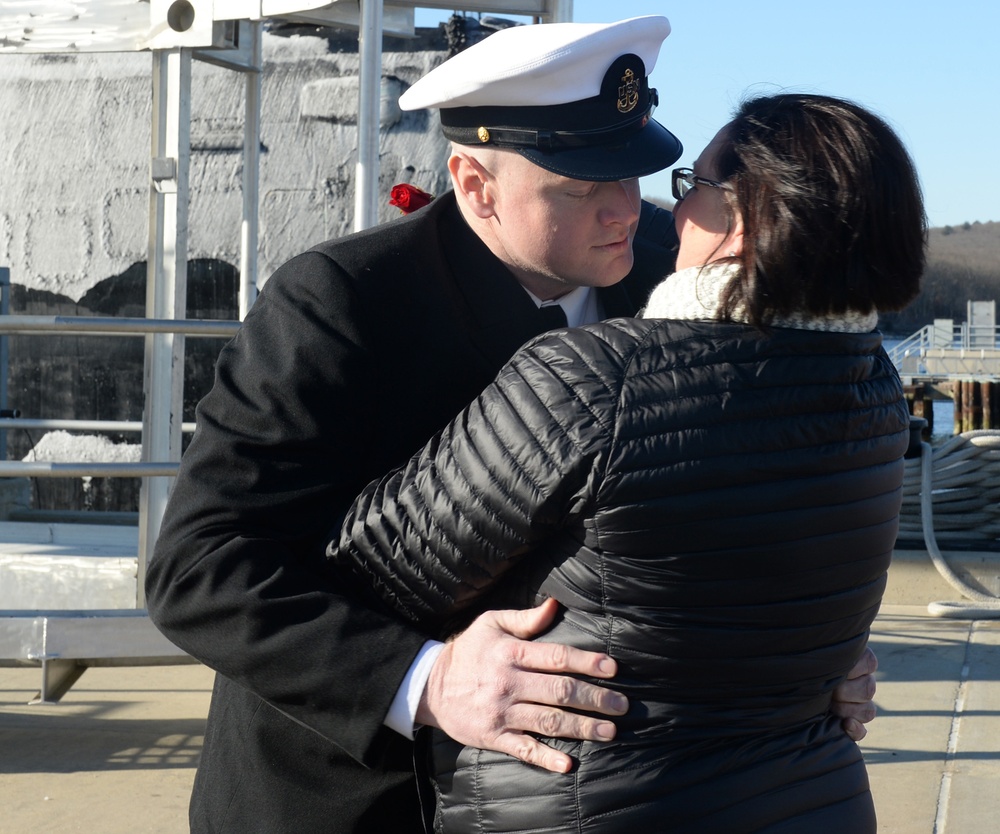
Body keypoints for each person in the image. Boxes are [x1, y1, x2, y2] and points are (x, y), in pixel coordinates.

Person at [145, 15, 878, 833]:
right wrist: (426, 678)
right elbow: (200, 569)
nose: (623, 211)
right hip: (352, 796)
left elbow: (744, 497)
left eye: (635, 172)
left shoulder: (680, 268)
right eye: (578, 188)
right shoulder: (345, 303)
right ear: (476, 185)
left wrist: (812, 639)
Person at [327, 91, 925, 833]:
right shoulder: (874, 387)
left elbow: (374, 567)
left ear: (746, 215)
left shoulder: (597, 378)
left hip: (588, 806)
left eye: (693, 187)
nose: (667, 215)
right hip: (808, 800)